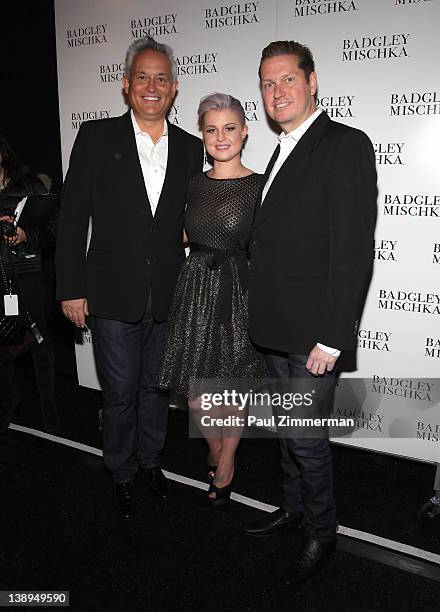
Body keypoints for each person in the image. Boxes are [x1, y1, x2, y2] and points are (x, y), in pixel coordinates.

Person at [245, 41, 377, 585]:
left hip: (311, 333)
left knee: (305, 437)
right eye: (268, 84)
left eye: (287, 80)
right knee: (287, 431)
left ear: (313, 80)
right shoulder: (282, 148)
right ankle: (296, 509)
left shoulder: (344, 144)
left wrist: (332, 334)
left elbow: (352, 248)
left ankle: (323, 532)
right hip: (275, 325)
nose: (277, 92)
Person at [56, 36, 204, 520]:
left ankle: (149, 461)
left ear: (175, 88)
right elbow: (73, 217)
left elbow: (189, 217)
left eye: (162, 78)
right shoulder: (96, 138)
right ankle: (119, 472)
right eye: (143, 76)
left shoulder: (190, 147)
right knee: (119, 393)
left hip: (167, 294)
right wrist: (71, 288)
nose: (152, 85)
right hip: (110, 294)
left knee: (156, 390)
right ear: (126, 85)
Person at [158, 93, 266, 505]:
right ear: (202, 135)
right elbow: (179, 233)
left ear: (244, 131)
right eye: (211, 130)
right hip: (195, 288)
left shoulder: (260, 185)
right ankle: (219, 448)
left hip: (239, 289)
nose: (221, 137)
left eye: (229, 128)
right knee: (196, 391)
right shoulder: (192, 184)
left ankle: (226, 461)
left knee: (232, 385)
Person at [0, 135, 59, 432]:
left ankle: (48, 403)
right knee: (3, 340)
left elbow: (55, 228)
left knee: (39, 340)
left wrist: (25, 235)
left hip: (26, 272)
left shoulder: (28, 185)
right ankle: (10, 399)